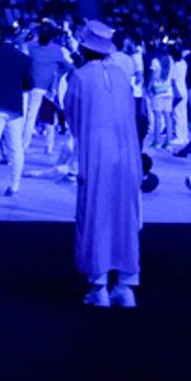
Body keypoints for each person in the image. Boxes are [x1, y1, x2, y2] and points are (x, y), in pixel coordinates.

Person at [67, 19, 142, 306]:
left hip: (97, 156)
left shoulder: (80, 77)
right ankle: (125, 284)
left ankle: (98, 285)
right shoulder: (122, 76)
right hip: (126, 155)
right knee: (125, 216)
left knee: (96, 216)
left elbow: (72, 117)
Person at [0, 20, 35, 194]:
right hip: (14, 104)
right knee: (15, 146)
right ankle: (15, 185)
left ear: (0, 36)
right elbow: (30, 83)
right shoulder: (23, 58)